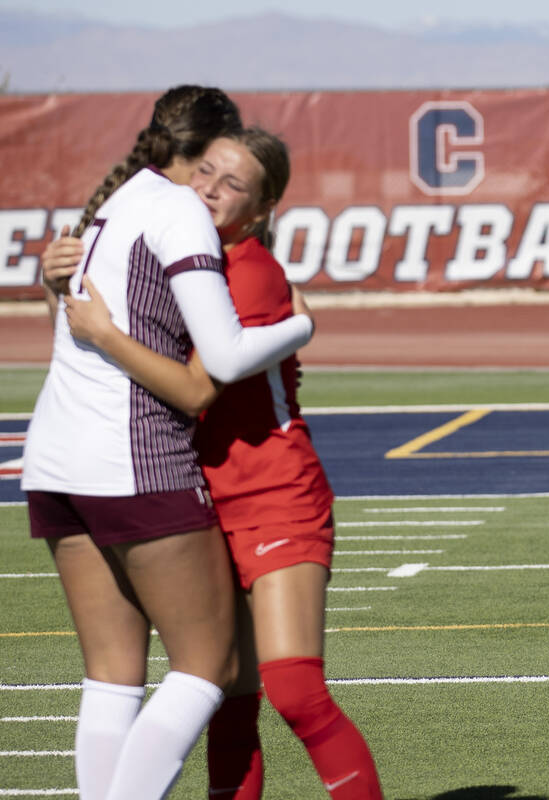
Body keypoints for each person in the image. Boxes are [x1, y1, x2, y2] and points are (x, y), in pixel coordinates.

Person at [43, 129, 383, 799]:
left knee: (296, 691)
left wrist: (106, 329)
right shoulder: (172, 251)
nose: (210, 188)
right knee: (225, 699)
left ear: (259, 211)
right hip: (198, 495)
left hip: (275, 494)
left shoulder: (248, 271)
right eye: (205, 170)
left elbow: (199, 384)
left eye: (233, 185)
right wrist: (57, 276)